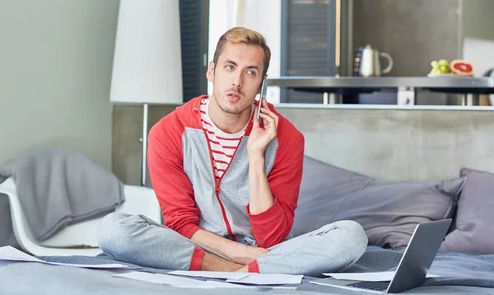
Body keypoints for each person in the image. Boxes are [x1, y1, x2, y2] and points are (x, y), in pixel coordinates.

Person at [97, 27, 368, 276]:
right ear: (212, 71)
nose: (237, 82)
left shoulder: (287, 138)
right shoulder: (169, 132)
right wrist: (238, 255)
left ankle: (243, 271)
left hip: (268, 251)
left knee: (351, 237)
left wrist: (256, 156)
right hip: (199, 247)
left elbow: (271, 238)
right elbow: (180, 224)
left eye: (250, 72)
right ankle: (240, 273)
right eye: (230, 67)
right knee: (114, 230)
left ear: (262, 81)